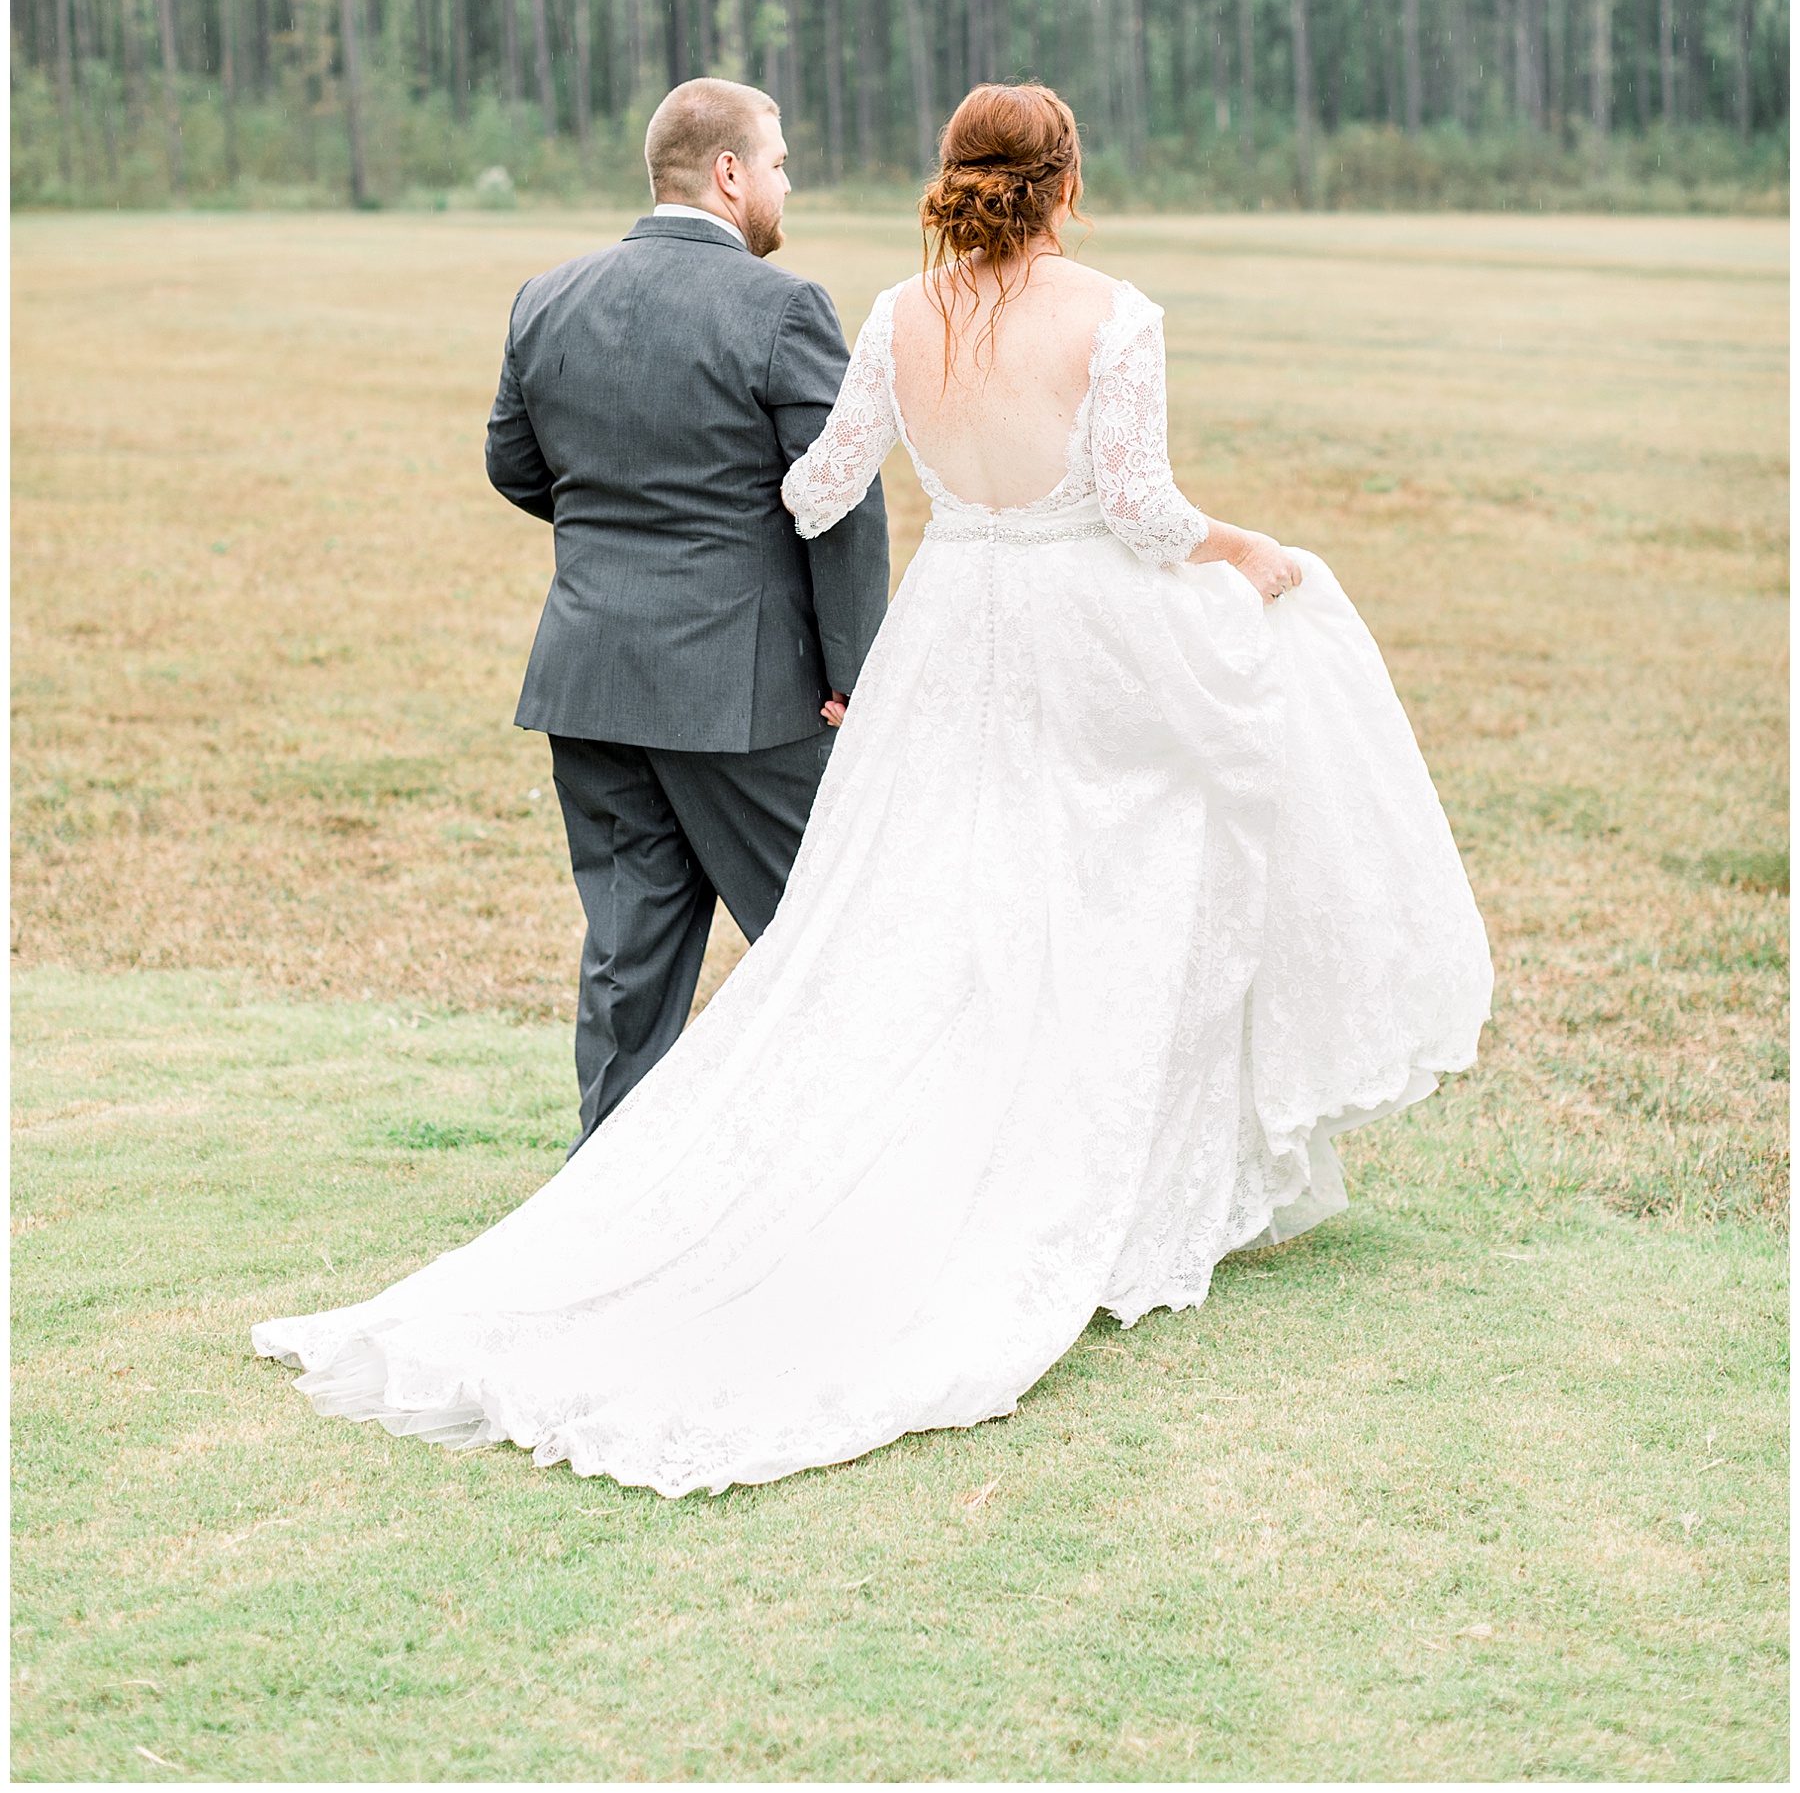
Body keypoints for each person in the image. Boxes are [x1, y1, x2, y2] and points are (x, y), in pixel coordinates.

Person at [255, 83, 1492, 1497]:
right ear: (1065, 182)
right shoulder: (1110, 314)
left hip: (920, 633)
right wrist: (1247, 550)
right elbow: (1140, 509)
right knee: (1078, 888)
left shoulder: (887, 316)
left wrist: (676, 517)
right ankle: (1027, 1167)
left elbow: (813, 485)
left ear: (957, 181)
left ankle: (713, 1171)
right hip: (1070, 634)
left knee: (854, 910)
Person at [482, 77, 888, 1146]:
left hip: (592, 677)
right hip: (743, 693)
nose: (787, 183)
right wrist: (855, 672)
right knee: (834, 933)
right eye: (780, 163)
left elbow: (515, 466)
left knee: (630, 962)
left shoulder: (546, 296)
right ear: (728, 172)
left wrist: (618, 534)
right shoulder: (783, 307)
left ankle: (606, 1192)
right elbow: (841, 499)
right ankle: (861, 1166)